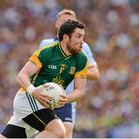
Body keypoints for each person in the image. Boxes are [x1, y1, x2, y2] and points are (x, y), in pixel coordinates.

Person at [0, 20, 89, 138]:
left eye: (83, 37)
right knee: (58, 131)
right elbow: (22, 75)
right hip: (29, 99)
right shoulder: (47, 52)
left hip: (44, 106)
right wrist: (34, 91)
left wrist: (66, 99)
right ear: (66, 37)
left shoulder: (81, 59)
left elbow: (80, 91)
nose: (82, 41)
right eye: (78, 36)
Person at [38, 9, 99, 138]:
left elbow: (95, 73)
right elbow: (36, 70)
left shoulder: (82, 46)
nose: (66, 24)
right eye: (63, 21)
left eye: (70, 22)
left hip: (66, 99)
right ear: (56, 24)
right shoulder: (46, 44)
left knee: (65, 132)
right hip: (44, 98)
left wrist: (74, 68)